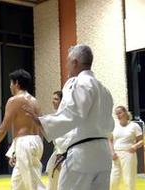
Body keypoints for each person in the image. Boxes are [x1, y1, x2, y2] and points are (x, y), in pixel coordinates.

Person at [24, 44, 114, 190]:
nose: (67, 66)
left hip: (83, 155)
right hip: (103, 154)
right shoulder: (104, 90)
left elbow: (73, 114)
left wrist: (41, 121)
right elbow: (110, 125)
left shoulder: (81, 83)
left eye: (68, 61)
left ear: (75, 62)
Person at [0, 69, 45, 190]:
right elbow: (41, 127)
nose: (10, 86)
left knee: (33, 184)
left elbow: (3, 128)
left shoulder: (14, 100)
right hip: (35, 142)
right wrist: (15, 151)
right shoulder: (35, 101)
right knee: (17, 184)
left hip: (25, 143)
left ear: (16, 83)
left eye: (11, 83)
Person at [109, 106, 143, 190]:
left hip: (128, 154)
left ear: (125, 113)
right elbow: (109, 140)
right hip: (116, 155)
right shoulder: (114, 126)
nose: (118, 115)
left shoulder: (134, 126)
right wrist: (112, 152)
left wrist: (135, 146)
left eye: (120, 113)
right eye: (116, 114)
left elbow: (141, 141)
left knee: (129, 179)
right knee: (113, 179)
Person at [46, 91, 74, 190]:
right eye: (53, 99)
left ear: (62, 101)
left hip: (65, 154)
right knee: (53, 183)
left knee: (63, 183)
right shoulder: (56, 116)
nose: (53, 101)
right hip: (59, 153)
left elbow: (65, 138)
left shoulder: (65, 116)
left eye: (56, 99)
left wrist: (60, 155)